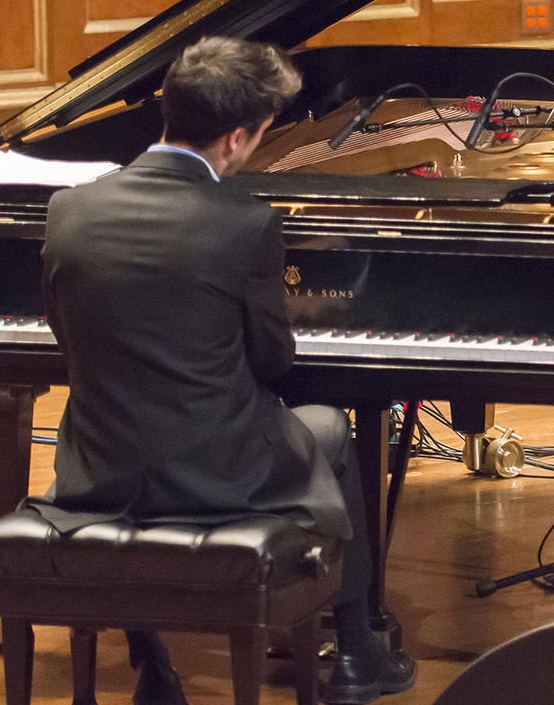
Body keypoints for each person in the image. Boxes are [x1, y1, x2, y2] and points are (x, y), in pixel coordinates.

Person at [25, 37, 414, 705]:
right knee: (330, 427)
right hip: (216, 476)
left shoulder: (69, 209)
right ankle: (356, 652)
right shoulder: (245, 223)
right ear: (236, 140)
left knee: (115, 415)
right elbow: (275, 361)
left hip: (96, 473)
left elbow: (71, 341)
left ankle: (154, 668)